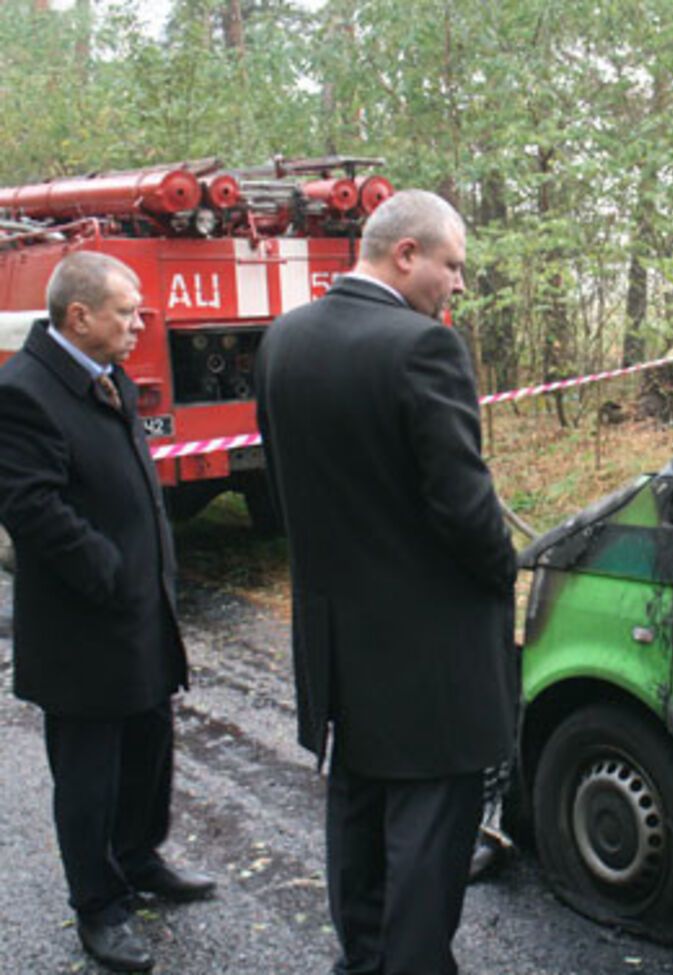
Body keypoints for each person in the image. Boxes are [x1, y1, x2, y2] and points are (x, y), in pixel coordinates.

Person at [255, 190, 517, 975]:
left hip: (339, 649)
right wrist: (508, 565)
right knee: (430, 842)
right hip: (429, 658)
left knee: (358, 819)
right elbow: (466, 513)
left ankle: (361, 959)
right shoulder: (422, 348)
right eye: (453, 264)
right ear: (407, 254)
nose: (459, 284)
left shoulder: (283, 341)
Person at [0, 252, 215, 973]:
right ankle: (98, 904)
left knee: (150, 743)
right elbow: (30, 504)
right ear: (79, 315)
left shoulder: (105, 376)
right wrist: (112, 572)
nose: (139, 322)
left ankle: (138, 856)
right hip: (83, 626)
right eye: (126, 310)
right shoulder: (23, 390)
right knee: (89, 772)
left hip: (140, 612)